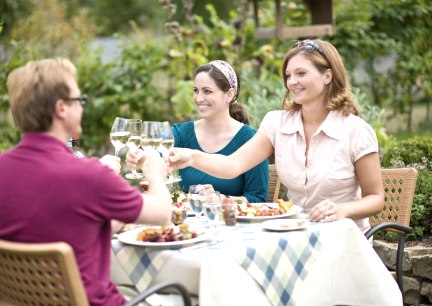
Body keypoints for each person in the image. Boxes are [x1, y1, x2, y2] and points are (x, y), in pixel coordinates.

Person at [0, 58, 172, 306]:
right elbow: (162, 213)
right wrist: (155, 174)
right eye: (79, 101)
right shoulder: (89, 175)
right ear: (61, 108)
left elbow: (71, 231)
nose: (82, 107)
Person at [167, 39, 384, 232]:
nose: (292, 82)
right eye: (288, 75)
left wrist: (342, 209)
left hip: (343, 237)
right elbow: (232, 165)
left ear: (327, 76)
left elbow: (376, 198)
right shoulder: (277, 123)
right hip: (295, 232)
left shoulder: (355, 130)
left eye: (301, 73)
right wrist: (191, 157)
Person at [172, 60, 269, 203]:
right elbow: (156, 150)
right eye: (196, 90)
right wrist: (140, 155)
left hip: (232, 223)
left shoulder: (251, 140)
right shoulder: (181, 133)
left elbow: (258, 199)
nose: (199, 98)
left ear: (229, 95)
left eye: (207, 91)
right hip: (187, 223)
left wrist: (220, 200)